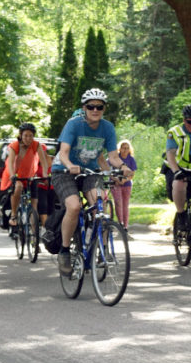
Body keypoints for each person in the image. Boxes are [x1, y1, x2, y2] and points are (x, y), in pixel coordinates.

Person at [51, 88, 133, 275]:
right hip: (64, 170)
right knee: (73, 206)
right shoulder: (74, 124)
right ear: (84, 108)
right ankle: (64, 251)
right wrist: (70, 165)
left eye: (99, 107)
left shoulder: (108, 128)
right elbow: (63, 152)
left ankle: (98, 248)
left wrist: (123, 168)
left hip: (89, 172)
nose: (95, 110)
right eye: (91, 106)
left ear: (104, 108)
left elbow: (112, 157)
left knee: (99, 204)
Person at [1, 122, 52, 232]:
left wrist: (44, 176)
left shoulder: (36, 145)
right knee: (18, 187)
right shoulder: (15, 146)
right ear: (20, 135)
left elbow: (44, 163)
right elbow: (10, 163)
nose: (28, 138)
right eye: (25, 135)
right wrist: (12, 175)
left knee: (34, 206)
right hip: (16, 175)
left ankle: (35, 237)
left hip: (30, 176)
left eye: (30, 136)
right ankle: (14, 215)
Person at [111, 140, 137, 229]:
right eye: (123, 148)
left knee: (125, 205)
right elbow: (109, 170)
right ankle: (120, 224)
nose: (125, 150)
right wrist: (116, 180)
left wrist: (125, 180)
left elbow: (132, 174)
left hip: (127, 185)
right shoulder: (115, 158)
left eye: (127, 148)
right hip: (115, 184)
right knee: (118, 204)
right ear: (120, 149)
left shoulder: (131, 159)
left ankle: (125, 226)